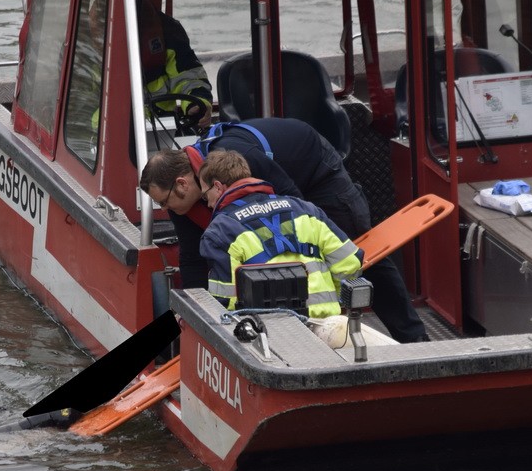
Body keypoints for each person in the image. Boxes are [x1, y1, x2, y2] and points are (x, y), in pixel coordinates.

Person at [139, 117, 429, 342]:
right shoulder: (183, 197)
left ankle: (415, 339)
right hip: (283, 182)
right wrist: (197, 317)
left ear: (182, 184)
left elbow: (295, 206)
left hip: (315, 171)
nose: (167, 210)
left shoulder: (237, 159)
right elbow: (192, 259)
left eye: (164, 202)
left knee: (354, 251)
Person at [197, 150, 362, 317]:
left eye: (205, 196)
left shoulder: (220, 230)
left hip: (269, 333)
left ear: (217, 187)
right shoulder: (304, 209)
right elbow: (350, 261)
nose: (209, 204)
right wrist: (331, 300)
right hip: (328, 323)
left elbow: (225, 300)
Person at [138, 0, 212, 129]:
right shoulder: (91, 35)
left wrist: (198, 103)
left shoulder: (166, 29)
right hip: (100, 136)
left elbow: (189, 77)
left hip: (163, 129)